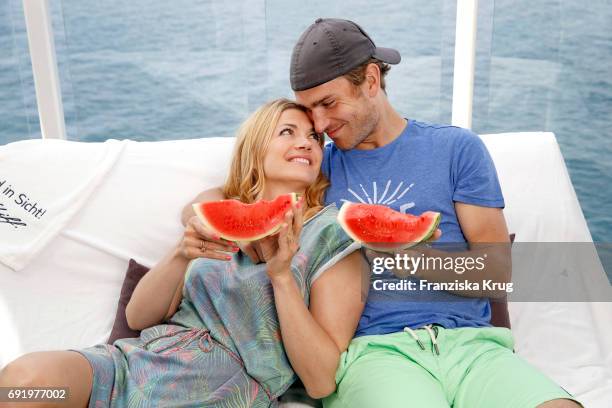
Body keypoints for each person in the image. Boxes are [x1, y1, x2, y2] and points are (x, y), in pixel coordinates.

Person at [183, 18, 582, 408]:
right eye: (309, 110)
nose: (319, 124)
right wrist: (197, 215)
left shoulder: (457, 149)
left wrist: (401, 254)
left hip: (472, 346)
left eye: (328, 104)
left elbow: (497, 275)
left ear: (371, 81)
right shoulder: (318, 165)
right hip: (373, 353)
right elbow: (237, 191)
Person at [0, 98, 366, 407]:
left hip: (220, 392)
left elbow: (320, 382)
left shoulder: (331, 233)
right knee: (24, 382)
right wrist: (180, 253)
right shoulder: (213, 215)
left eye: (315, 138)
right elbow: (140, 316)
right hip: (133, 368)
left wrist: (281, 276)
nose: (306, 143)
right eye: (288, 131)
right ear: (255, 144)